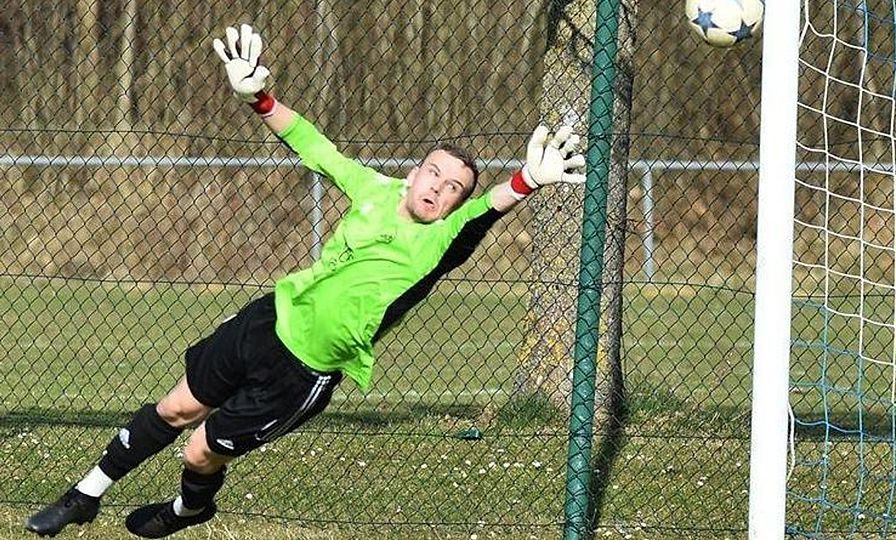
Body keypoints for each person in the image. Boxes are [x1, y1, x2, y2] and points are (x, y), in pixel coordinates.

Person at [24, 23, 586, 539]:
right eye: (434, 173)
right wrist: (259, 98)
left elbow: (486, 210)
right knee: (175, 408)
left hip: (300, 374)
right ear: (414, 173)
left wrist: (527, 181)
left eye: (453, 188)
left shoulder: (441, 242)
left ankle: (188, 509)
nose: (439, 188)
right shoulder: (375, 189)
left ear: (455, 205)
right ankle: (83, 496)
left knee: (199, 452)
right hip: (267, 320)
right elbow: (316, 146)